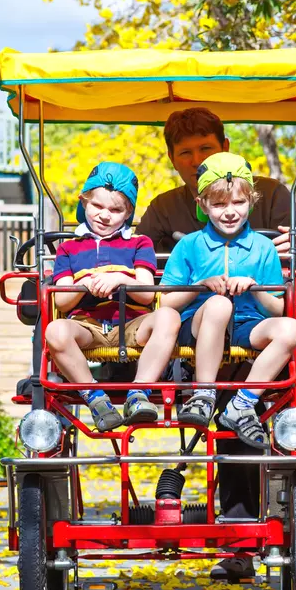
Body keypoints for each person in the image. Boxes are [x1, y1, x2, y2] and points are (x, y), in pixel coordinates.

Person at [138, 108, 296, 582]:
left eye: (206, 148)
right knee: (227, 381)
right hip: (201, 317)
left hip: (273, 306)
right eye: (186, 153)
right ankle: (241, 538)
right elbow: (146, 274)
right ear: (174, 160)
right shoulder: (164, 209)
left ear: (224, 144)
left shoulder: (270, 194)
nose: (197, 158)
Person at [160, 153, 296, 449]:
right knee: (219, 304)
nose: (230, 212)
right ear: (202, 206)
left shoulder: (263, 248)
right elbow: (165, 303)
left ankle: (243, 403)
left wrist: (255, 288)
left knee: (291, 330)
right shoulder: (190, 246)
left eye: (238, 203)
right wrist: (200, 286)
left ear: (252, 201)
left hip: (246, 325)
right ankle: (205, 392)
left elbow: (278, 308)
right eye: (219, 204)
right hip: (198, 325)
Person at [45, 162, 182, 431]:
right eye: (97, 206)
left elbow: (145, 294)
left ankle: (139, 392)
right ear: (84, 202)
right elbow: (61, 300)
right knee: (55, 330)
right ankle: (95, 397)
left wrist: (121, 279)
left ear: (128, 212)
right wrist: (84, 283)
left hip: (132, 325)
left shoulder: (139, 243)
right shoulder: (69, 248)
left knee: (168, 316)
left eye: (116, 209)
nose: (105, 215)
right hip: (88, 326)